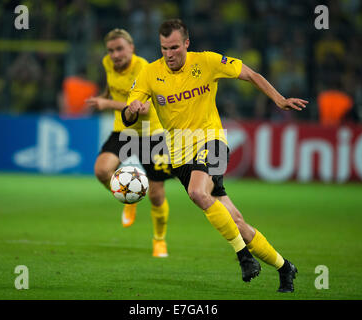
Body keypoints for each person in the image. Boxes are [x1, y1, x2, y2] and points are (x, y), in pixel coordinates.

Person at [123, 19, 308, 292]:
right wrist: (133, 109)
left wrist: (279, 99)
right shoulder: (150, 74)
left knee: (198, 193)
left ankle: (243, 256)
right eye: (164, 48)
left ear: (186, 43)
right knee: (237, 223)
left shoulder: (208, 62)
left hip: (212, 143)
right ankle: (285, 267)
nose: (169, 54)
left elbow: (251, 75)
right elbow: (127, 115)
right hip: (180, 156)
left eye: (174, 47)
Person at [86, 29, 172, 258]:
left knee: (156, 194)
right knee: (102, 171)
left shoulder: (144, 68)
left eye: (120, 49)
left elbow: (142, 109)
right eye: (111, 50)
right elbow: (114, 89)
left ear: (131, 48)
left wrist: (107, 104)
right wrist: (105, 96)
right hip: (123, 131)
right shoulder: (107, 63)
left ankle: (159, 239)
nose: (114, 55)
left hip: (150, 133)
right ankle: (128, 196)